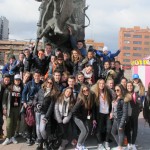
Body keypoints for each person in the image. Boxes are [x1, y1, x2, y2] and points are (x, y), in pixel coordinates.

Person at [34, 77, 59, 150]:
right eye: (48, 82)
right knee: (37, 128)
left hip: (44, 113)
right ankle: (40, 143)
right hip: (37, 111)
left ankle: (46, 141)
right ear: (45, 82)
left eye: (51, 83)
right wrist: (36, 104)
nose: (49, 84)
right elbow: (35, 99)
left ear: (52, 84)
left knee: (42, 129)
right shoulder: (41, 90)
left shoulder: (53, 93)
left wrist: (46, 117)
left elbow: (51, 107)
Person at [22, 70, 43, 146]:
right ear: (33, 76)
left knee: (37, 122)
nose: (37, 77)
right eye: (35, 75)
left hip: (39, 104)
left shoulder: (42, 84)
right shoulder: (29, 83)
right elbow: (24, 93)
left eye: (38, 75)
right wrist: (24, 102)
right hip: (30, 103)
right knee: (30, 121)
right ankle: (29, 137)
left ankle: (37, 137)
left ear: (40, 76)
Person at [72, 84, 95, 150]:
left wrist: (90, 116)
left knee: (87, 131)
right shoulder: (80, 99)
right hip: (77, 117)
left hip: (84, 117)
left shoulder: (89, 97)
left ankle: (81, 145)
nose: (85, 91)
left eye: (87, 90)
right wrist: (81, 117)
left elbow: (90, 109)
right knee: (84, 131)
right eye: (83, 91)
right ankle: (78, 146)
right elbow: (73, 110)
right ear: (82, 92)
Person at [91, 79, 112, 150]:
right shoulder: (95, 94)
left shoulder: (108, 92)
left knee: (109, 129)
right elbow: (93, 108)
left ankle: (106, 142)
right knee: (99, 130)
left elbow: (112, 103)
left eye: (103, 83)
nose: (102, 85)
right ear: (98, 84)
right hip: (99, 114)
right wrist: (93, 118)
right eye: (100, 84)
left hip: (107, 114)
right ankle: (100, 144)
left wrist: (111, 112)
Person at [2, 74, 23, 145]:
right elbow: (4, 99)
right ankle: (8, 137)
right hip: (9, 109)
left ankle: (12, 137)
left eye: (18, 80)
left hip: (17, 109)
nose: (17, 81)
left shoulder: (21, 89)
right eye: (16, 80)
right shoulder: (9, 88)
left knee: (14, 123)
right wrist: (4, 108)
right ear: (14, 80)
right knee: (9, 123)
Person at [125, 81, 143, 150]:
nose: (129, 87)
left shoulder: (136, 94)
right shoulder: (125, 94)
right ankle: (129, 144)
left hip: (134, 116)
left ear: (132, 87)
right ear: (126, 87)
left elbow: (140, 104)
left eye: (130, 86)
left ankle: (133, 144)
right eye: (128, 86)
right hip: (127, 115)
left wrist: (138, 111)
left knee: (135, 130)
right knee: (128, 130)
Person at [111, 84, 128, 150]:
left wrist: (121, 124)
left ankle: (120, 147)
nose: (116, 91)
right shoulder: (116, 98)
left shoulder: (123, 100)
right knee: (113, 132)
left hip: (120, 119)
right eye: (115, 90)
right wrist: (111, 112)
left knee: (120, 132)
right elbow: (113, 107)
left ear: (121, 90)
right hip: (115, 118)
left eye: (118, 90)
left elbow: (125, 113)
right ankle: (121, 145)